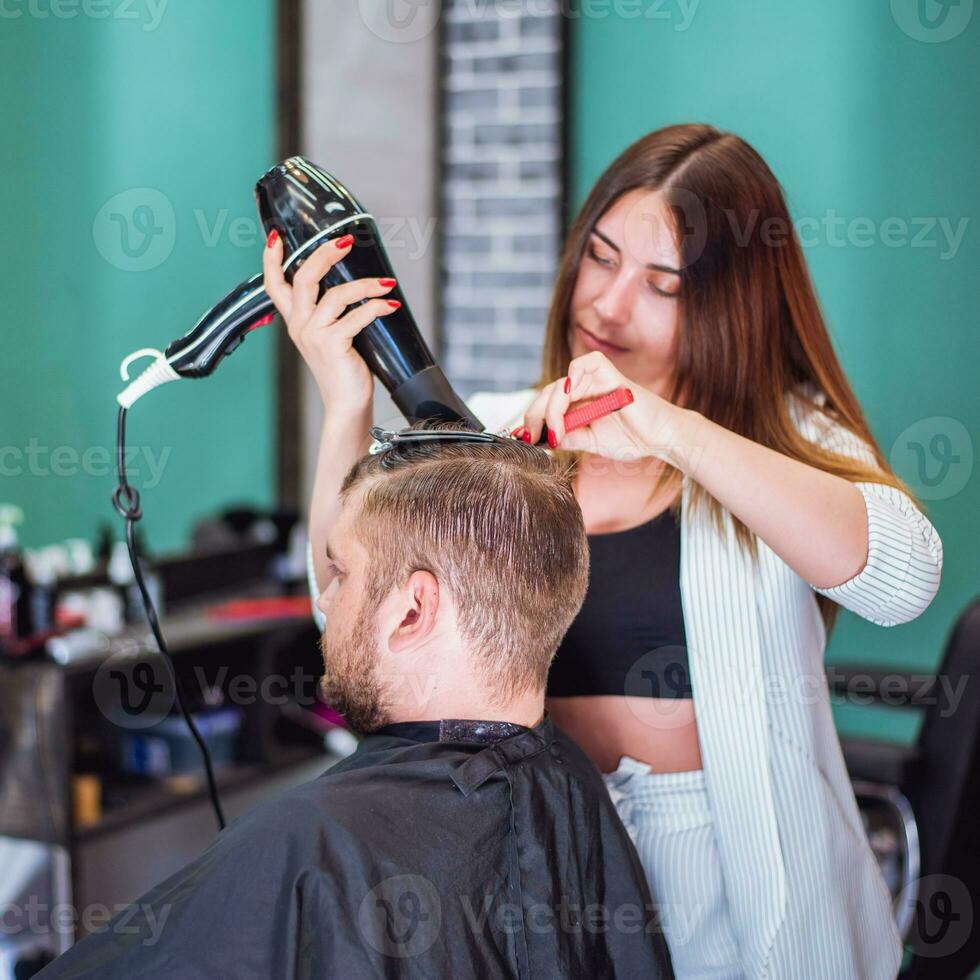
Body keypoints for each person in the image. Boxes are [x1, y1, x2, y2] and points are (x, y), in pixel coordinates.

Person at [285, 125, 942, 980]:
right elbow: (352, 617)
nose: (607, 304)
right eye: (599, 257)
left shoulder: (784, 441)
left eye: (661, 283)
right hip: (540, 847)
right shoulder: (501, 431)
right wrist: (345, 408)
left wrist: (668, 428)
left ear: (729, 304)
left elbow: (905, 578)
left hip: (718, 872)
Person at [37, 424, 674, 980]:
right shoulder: (571, 782)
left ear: (412, 610)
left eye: (339, 572)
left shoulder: (307, 841)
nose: (325, 602)